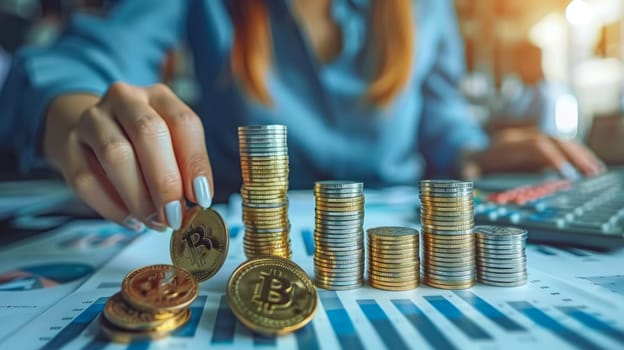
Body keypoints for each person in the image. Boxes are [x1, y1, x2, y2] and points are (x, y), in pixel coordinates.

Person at [0, 0, 604, 233]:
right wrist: (74, 113)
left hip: (390, 240)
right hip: (245, 242)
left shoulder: (427, 8)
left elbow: (443, 126)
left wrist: (473, 152)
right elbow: (76, 62)